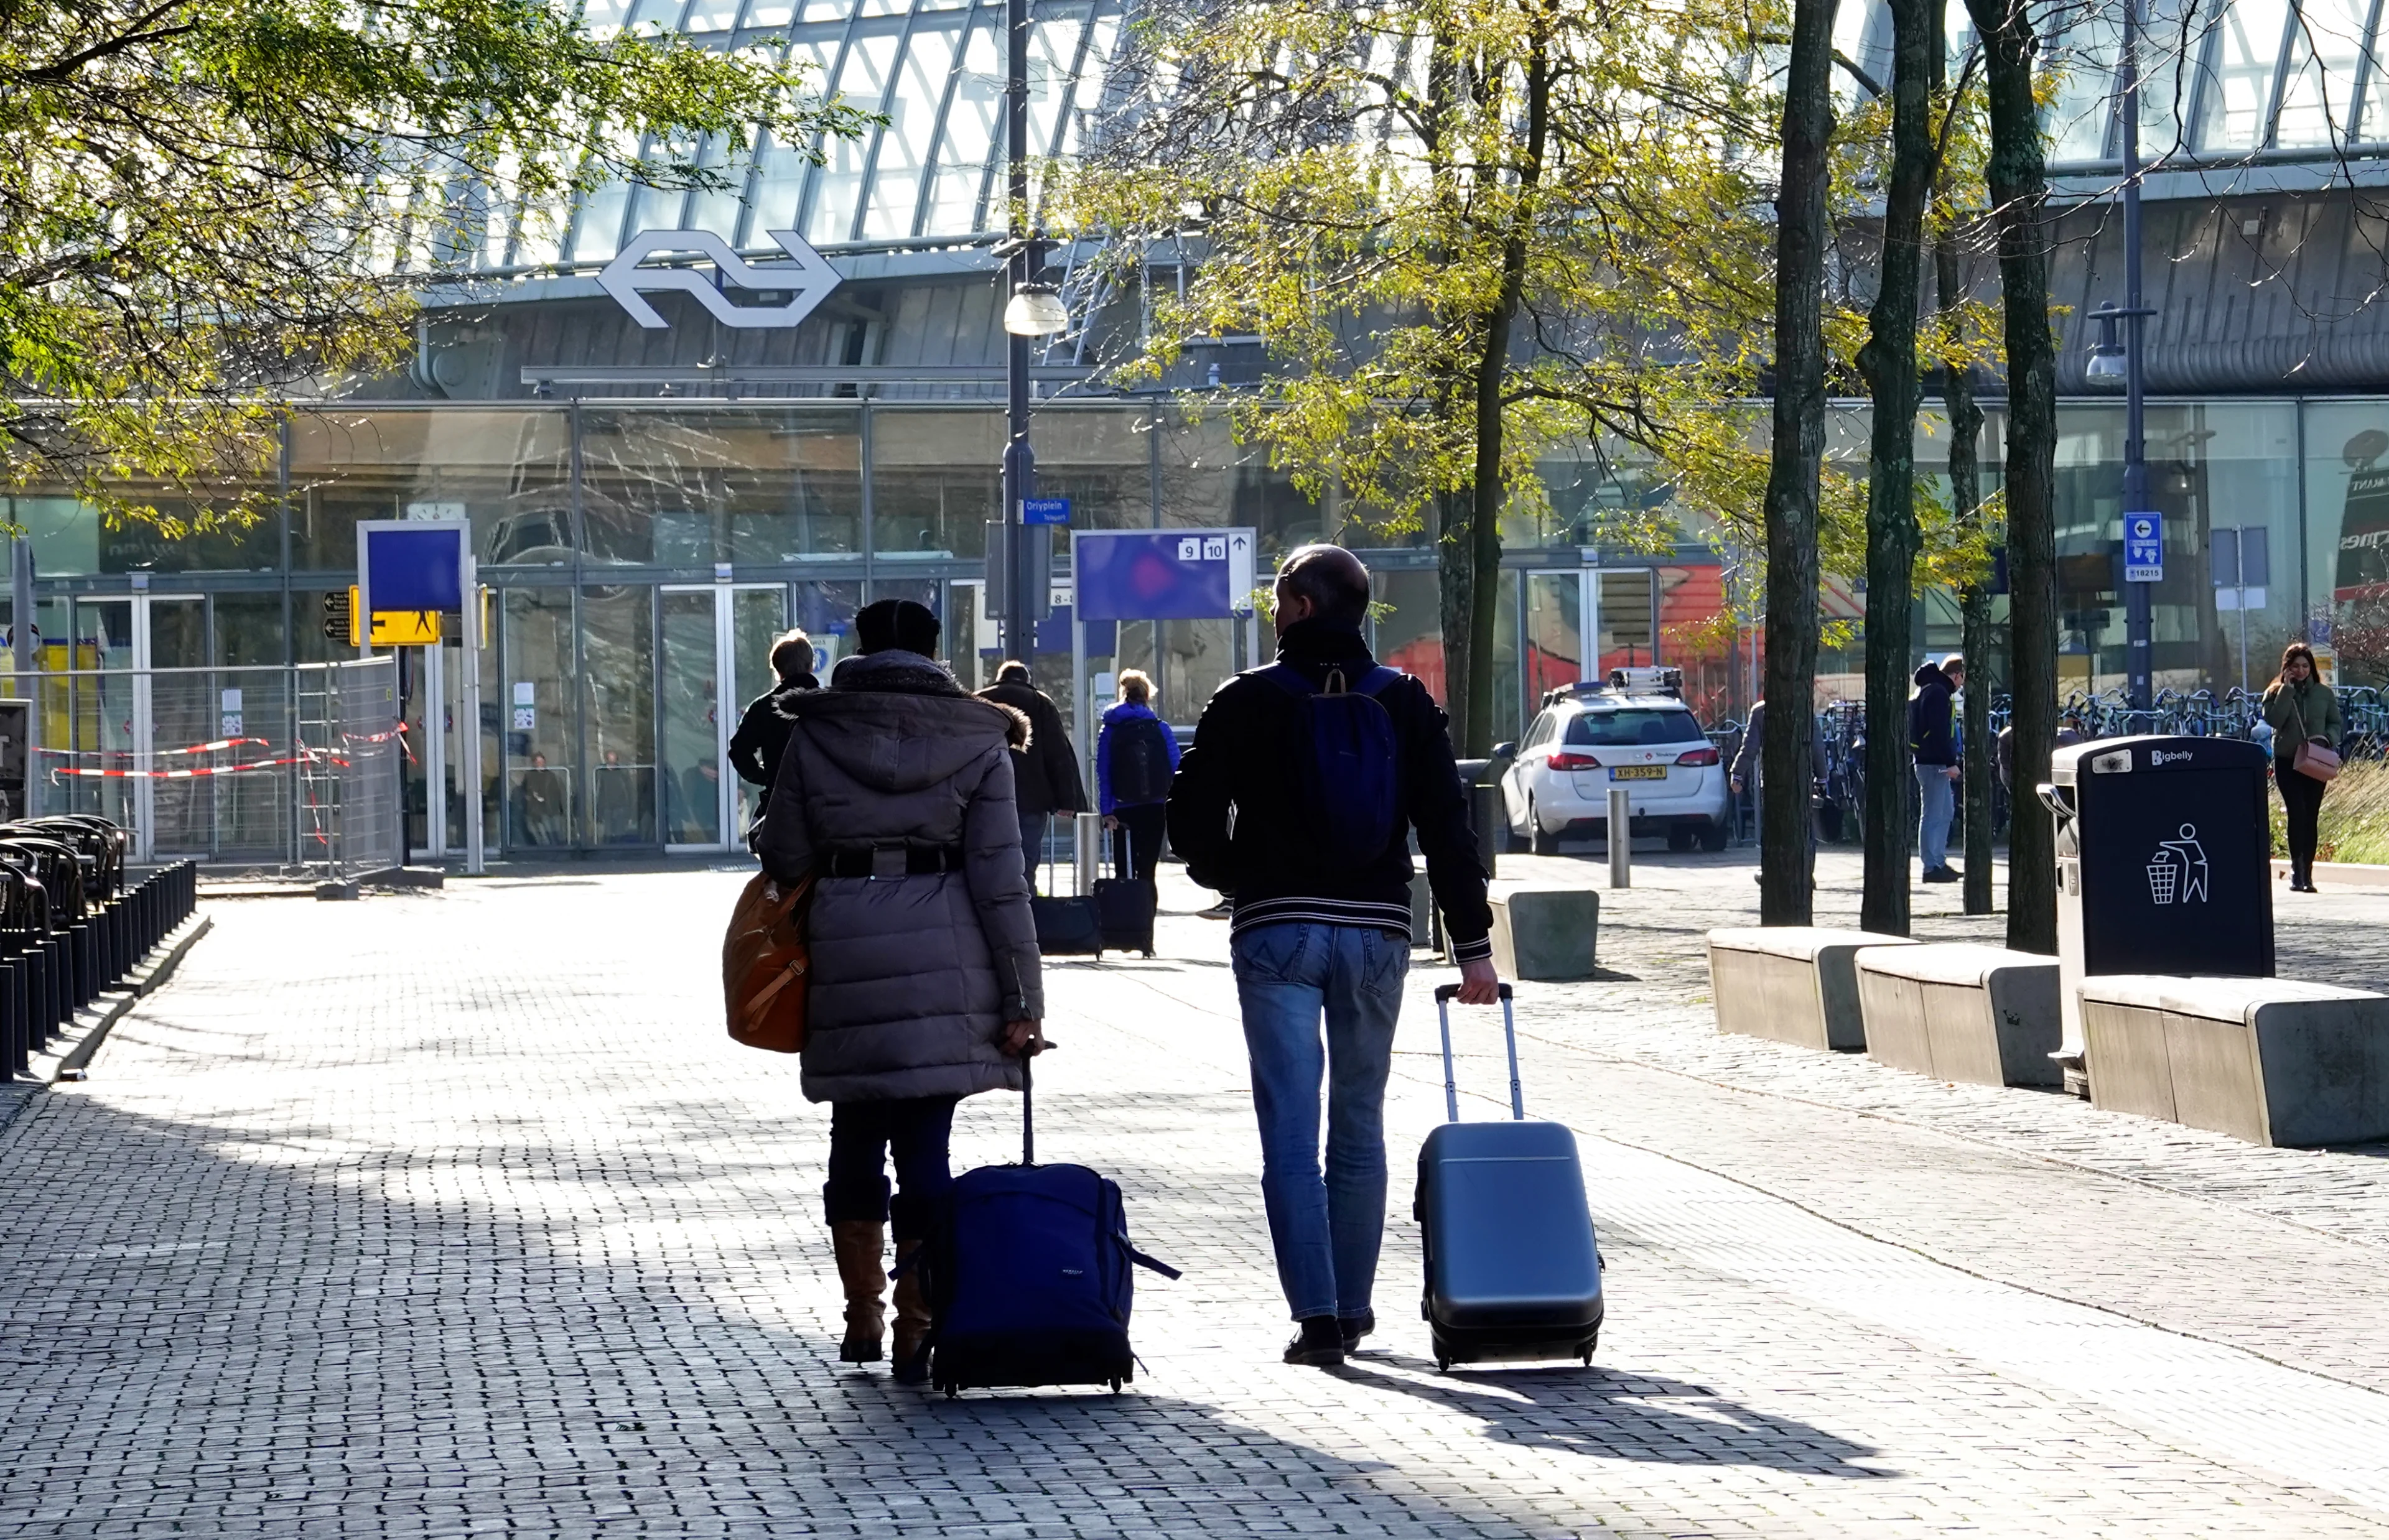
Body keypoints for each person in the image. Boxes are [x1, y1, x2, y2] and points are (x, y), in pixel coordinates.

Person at [1168, 544, 1497, 1370]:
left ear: (1302, 608)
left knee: (1288, 1133)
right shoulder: (1406, 701)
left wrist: (1246, 878)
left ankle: (1315, 1319)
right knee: (1359, 1126)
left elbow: (1191, 824)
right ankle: (1354, 1307)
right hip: (1379, 931)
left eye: (1279, 595)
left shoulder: (1245, 699)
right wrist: (1474, 948)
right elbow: (1450, 833)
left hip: (1280, 930)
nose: (1273, 607)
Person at [750, 598, 1045, 1382]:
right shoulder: (978, 738)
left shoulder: (817, 731)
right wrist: (1024, 1002)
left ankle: (861, 1313)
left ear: (860, 650)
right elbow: (1001, 881)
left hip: (845, 945)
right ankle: (918, 1324)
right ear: (935, 653)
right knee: (926, 1148)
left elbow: (782, 850)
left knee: (854, 1134)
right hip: (946, 949)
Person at [976, 660, 1089, 892]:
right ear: (1027, 680)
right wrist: (1067, 800)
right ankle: (1026, 912)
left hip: (985, 796)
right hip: (1031, 799)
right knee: (1026, 862)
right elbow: (1058, 754)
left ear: (1000, 678)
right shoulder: (1041, 702)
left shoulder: (978, 700)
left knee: (988, 859)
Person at [2263, 641, 2342, 893]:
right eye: (2295, 666)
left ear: (2311, 668)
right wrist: (2287, 691)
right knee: (2296, 812)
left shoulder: (2323, 693)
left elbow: (2336, 723)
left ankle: (2307, 873)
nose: (2301, 671)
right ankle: (2296, 873)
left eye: (2305, 666)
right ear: (2287, 668)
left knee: (2311, 816)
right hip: (2288, 760)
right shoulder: (2274, 694)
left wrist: (2327, 738)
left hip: (2315, 760)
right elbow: (2274, 720)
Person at [1096, 669, 1179, 889]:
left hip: (1123, 807)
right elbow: (1177, 768)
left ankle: (1124, 920)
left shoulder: (1110, 729)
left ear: (1123, 693)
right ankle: (1145, 921)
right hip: (1155, 806)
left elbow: (1103, 772)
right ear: (1147, 696)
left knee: (1123, 870)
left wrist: (1107, 812)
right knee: (1147, 871)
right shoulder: (1161, 728)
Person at [730, 629, 819, 793]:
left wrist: (766, 777)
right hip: (826, 801)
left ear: (778, 670)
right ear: (811, 666)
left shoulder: (763, 707)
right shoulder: (830, 703)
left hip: (781, 800)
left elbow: (739, 750)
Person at [1910, 655, 1962, 884]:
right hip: (1934, 762)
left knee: (1943, 813)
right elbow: (1940, 731)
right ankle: (1931, 867)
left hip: (1930, 760)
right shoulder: (1938, 693)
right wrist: (1950, 762)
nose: (1962, 685)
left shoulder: (1930, 689)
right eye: (1963, 679)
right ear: (1957, 675)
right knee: (1933, 814)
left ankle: (1938, 862)